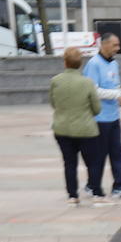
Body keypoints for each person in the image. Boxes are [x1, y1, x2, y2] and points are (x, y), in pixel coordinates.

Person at [49, 46, 109, 206]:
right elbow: (97, 109)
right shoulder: (87, 83)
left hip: (62, 128)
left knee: (69, 163)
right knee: (93, 162)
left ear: (65, 63)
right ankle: (96, 191)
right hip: (86, 129)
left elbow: (53, 103)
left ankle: (72, 195)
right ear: (80, 63)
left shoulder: (55, 81)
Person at [82, 33, 121, 199]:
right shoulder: (94, 64)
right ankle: (93, 185)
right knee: (99, 155)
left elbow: (116, 87)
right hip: (99, 118)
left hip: (113, 117)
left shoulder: (114, 64)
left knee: (117, 153)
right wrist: (115, 96)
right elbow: (93, 90)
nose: (117, 48)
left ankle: (119, 186)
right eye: (114, 45)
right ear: (104, 45)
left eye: (118, 45)